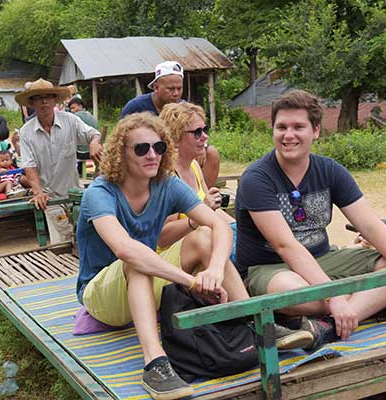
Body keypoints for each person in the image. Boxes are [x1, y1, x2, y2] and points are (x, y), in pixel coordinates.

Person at [76, 113, 312, 400]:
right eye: (141, 149)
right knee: (137, 260)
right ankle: (155, 363)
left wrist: (213, 269)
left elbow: (219, 225)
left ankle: (254, 321)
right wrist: (189, 280)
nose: (152, 154)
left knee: (202, 236)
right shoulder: (100, 192)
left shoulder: (166, 184)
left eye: (159, 147)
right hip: (102, 295)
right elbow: (125, 249)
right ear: (120, 154)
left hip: (144, 286)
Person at [235, 90, 386, 349]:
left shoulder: (330, 170)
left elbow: (371, 226)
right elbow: (286, 246)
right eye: (281, 127)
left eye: (298, 127)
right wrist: (333, 295)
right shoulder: (257, 178)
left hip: (323, 258)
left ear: (315, 131)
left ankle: (325, 326)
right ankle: (369, 302)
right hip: (270, 268)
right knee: (291, 291)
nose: (288, 135)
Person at [121, 61, 221, 188]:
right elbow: (121, 139)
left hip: (180, 154)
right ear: (156, 87)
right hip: (151, 154)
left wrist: (202, 147)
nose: (176, 93)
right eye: (171, 89)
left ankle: (203, 195)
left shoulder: (184, 109)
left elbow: (198, 132)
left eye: (179, 88)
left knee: (212, 153)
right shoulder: (136, 107)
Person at [158, 102, 237, 260]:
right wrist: (197, 218)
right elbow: (163, 238)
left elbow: (211, 212)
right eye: (197, 132)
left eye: (204, 130)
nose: (205, 136)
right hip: (173, 254)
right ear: (175, 137)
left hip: (201, 242)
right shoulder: (166, 177)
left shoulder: (193, 166)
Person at [15, 78, 103, 206]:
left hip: (73, 193)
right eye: (39, 98)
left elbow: (93, 134)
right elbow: (29, 166)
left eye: (48, 97)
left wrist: (94, 143)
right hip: (48, 198)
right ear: (32, 102)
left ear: (55, 100)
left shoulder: (70, 120)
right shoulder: (26, 132)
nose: (44, 101)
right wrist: (38, 193)